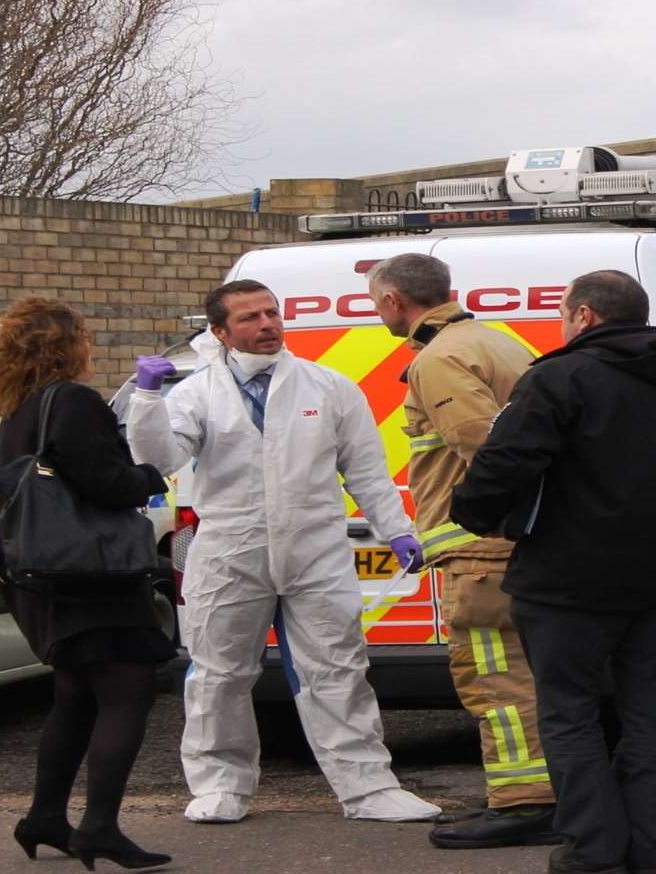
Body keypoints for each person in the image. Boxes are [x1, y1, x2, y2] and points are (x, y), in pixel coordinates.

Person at [450, 270, 656, 874]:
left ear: (587, 316)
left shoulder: (558, 377)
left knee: (569, 715)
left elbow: (504, 463)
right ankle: (646, 852)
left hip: (564, 582)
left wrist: (474, 514)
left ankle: (594, 853)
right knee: (652, 715)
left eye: (565, 313)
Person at [125, 279, 438, 825]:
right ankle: (220, 784)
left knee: (339, 668)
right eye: (250, 318)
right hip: (230, 550)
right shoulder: (197, 393)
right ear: (220, 332)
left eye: (272, 313)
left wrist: (396, 530)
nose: (267, 324)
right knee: (220, 673)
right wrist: (147, 400)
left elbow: (365, 469)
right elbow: (161, 460)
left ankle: (367, 787)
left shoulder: (328, 387)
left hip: (314, 549)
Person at [364, 253, 560, 850]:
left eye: (377, 304)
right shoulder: (495, 341)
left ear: (397, 301)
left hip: (482, 554)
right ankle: (542, 792)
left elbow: (486, 447)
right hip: (511, 547)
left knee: (495, 681)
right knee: (531, 677)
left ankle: (524, 803)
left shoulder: (440, 358)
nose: (379, 314)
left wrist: (486, 526)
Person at [0, 297, 172, 871]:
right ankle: (100, 827)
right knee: (128, 690)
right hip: (94, 576)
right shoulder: (75, 402)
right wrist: (149, 475)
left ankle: (45, 816)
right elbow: (106, 483)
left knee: (76, 696)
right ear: (69, 346)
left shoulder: (20, 410)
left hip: (49, 575)